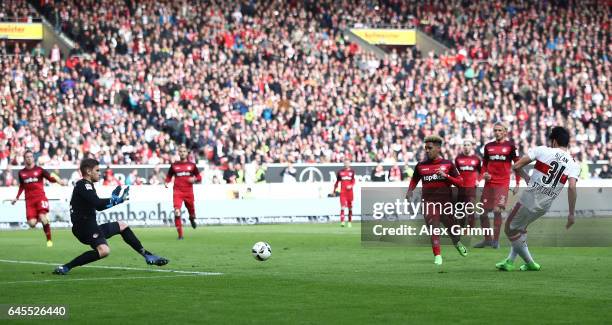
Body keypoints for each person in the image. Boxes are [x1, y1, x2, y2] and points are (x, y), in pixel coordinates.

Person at [53, 158, 168, 275]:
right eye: (97, 170)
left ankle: (147, 255)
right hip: (84, 229)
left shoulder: (87, 185)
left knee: (122, 225)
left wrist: (113, 200)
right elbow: (98, 204)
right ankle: (66, 267)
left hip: (92, 227)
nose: (100, 173)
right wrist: (115, 201)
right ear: (88, 171)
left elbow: (97, 204)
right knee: (104, 251)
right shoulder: (83, 185)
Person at [496, 127, 579, 271]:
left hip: (529, 199)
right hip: (545, 205)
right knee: (520, 228)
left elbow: (516, 166)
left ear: (554, 141)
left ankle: (530, 263)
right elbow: (572, 187)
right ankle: (509, 261)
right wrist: (571, 213)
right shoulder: (574, 164)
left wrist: (527, 178)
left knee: (509, 228)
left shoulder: (543, 150)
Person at [405, 135, 467, 265]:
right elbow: (415, 179)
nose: (427, 150)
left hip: (446, 204)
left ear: (438, 148)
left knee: (453, 229)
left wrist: (446, 176)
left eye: (430, 148)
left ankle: (457, 242)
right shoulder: (420, 166)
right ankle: (437, 255)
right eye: (425, 148)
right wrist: (410, 191)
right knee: (433, 228)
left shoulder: (448, 164)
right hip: (428, 203)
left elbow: (460, 183)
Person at [474, 123, 520, 249]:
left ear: (505, 132)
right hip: (489, 184)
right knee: (482, 213)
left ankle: (495, 241)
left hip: (502, 183)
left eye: (500, 130)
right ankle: (487, 240)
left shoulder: (511, 147)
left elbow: (517, 165)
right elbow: (484, 165)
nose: (497, 132)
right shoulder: (488, 146)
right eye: (495, 130)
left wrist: (517, 183)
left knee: (497, 210)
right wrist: (480, 178)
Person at [11, 150, 66, 247]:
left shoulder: (40, 170)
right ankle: (40, 217)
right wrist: (17, 197)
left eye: (31, 156)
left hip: (40, 198)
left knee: (43, 217)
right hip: (29, 201)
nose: (29, 158)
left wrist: (58, 181)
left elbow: (50, 179)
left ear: (33, 158)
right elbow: (22, 186)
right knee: (32, 224)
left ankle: (49, 239)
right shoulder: (21, 173)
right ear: (24, 159)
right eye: (27, 157)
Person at [165, 144, 202, 239]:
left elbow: (199, 177)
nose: (182, 153)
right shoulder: (174, 165)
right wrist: (166, 182)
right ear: (178, 153)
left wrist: (195, 179)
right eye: (180, 151)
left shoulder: (192, 165)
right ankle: (180, 235)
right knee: (177, 212)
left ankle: (192, 219)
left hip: (189, 192)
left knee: (192, 214)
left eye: (184, 151)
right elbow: (169, 176)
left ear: (187, 153)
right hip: (177, 192)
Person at [454, 140, 482, 227]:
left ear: (471, 147)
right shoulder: (458, 158)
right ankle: (462, 226)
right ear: (463, 147)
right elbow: (456, 172)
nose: (466, 147)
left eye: (468, 145)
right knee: (460, 209)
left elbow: (481, 171)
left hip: (471, 187)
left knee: (470, 208)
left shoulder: (476, 159)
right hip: (461, 187)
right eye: (465, 145)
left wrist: (478, 180)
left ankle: (471, 227)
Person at [332, 160, 355, 227]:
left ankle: (349, 221)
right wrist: (334, 190)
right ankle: (342, 221)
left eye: (348, 163)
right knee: (342, 207)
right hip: (343, 192)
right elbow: (337, 182)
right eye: (345, 163)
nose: (346, 164)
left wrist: (351, 185)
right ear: (344, 164)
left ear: (349, 164)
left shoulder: (352, 172)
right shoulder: (340, 172)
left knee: (350, 208)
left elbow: (353, 181)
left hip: (350, 192)